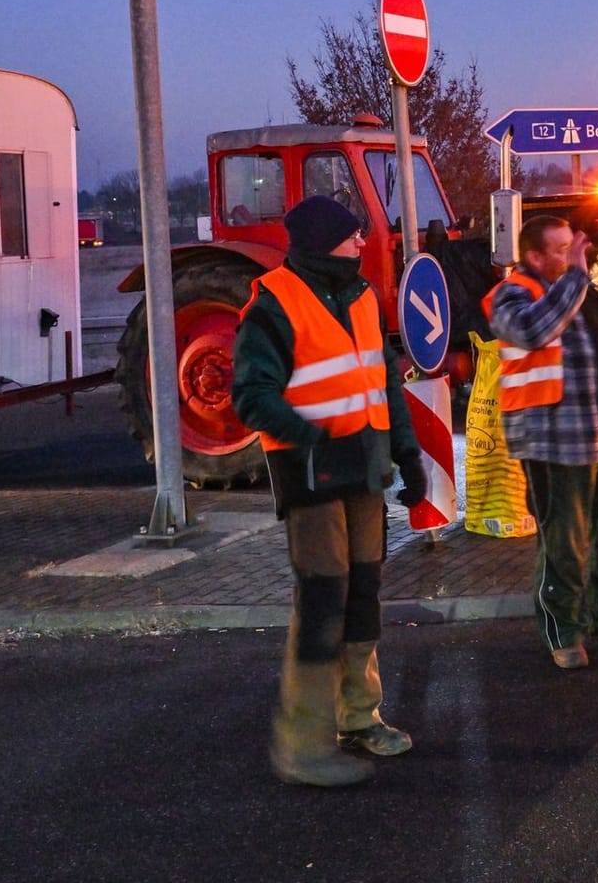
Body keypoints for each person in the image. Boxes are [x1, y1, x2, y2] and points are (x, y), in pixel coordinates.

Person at [232, 195, 428, 788]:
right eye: (351, 236)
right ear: (322, 243)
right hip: (311, 476)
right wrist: (312, 438)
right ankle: (302, 743)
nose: (362, 243)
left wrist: (408, 453)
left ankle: (359, 717)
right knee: (323, 601)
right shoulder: (273, 303)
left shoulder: (362, 296)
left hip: (362, 472)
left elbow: (385, 382)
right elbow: (251, 396)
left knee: (362, 592)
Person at [485, 213, 598, 670]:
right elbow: (533, 331)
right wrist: (577, 277)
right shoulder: (514, 295)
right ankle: (562, 631)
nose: (573, 257)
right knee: (566, 542)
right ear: (533, 256)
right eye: (561, 250)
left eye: (573, 247)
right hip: (552, 442)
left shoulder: (584, 294)